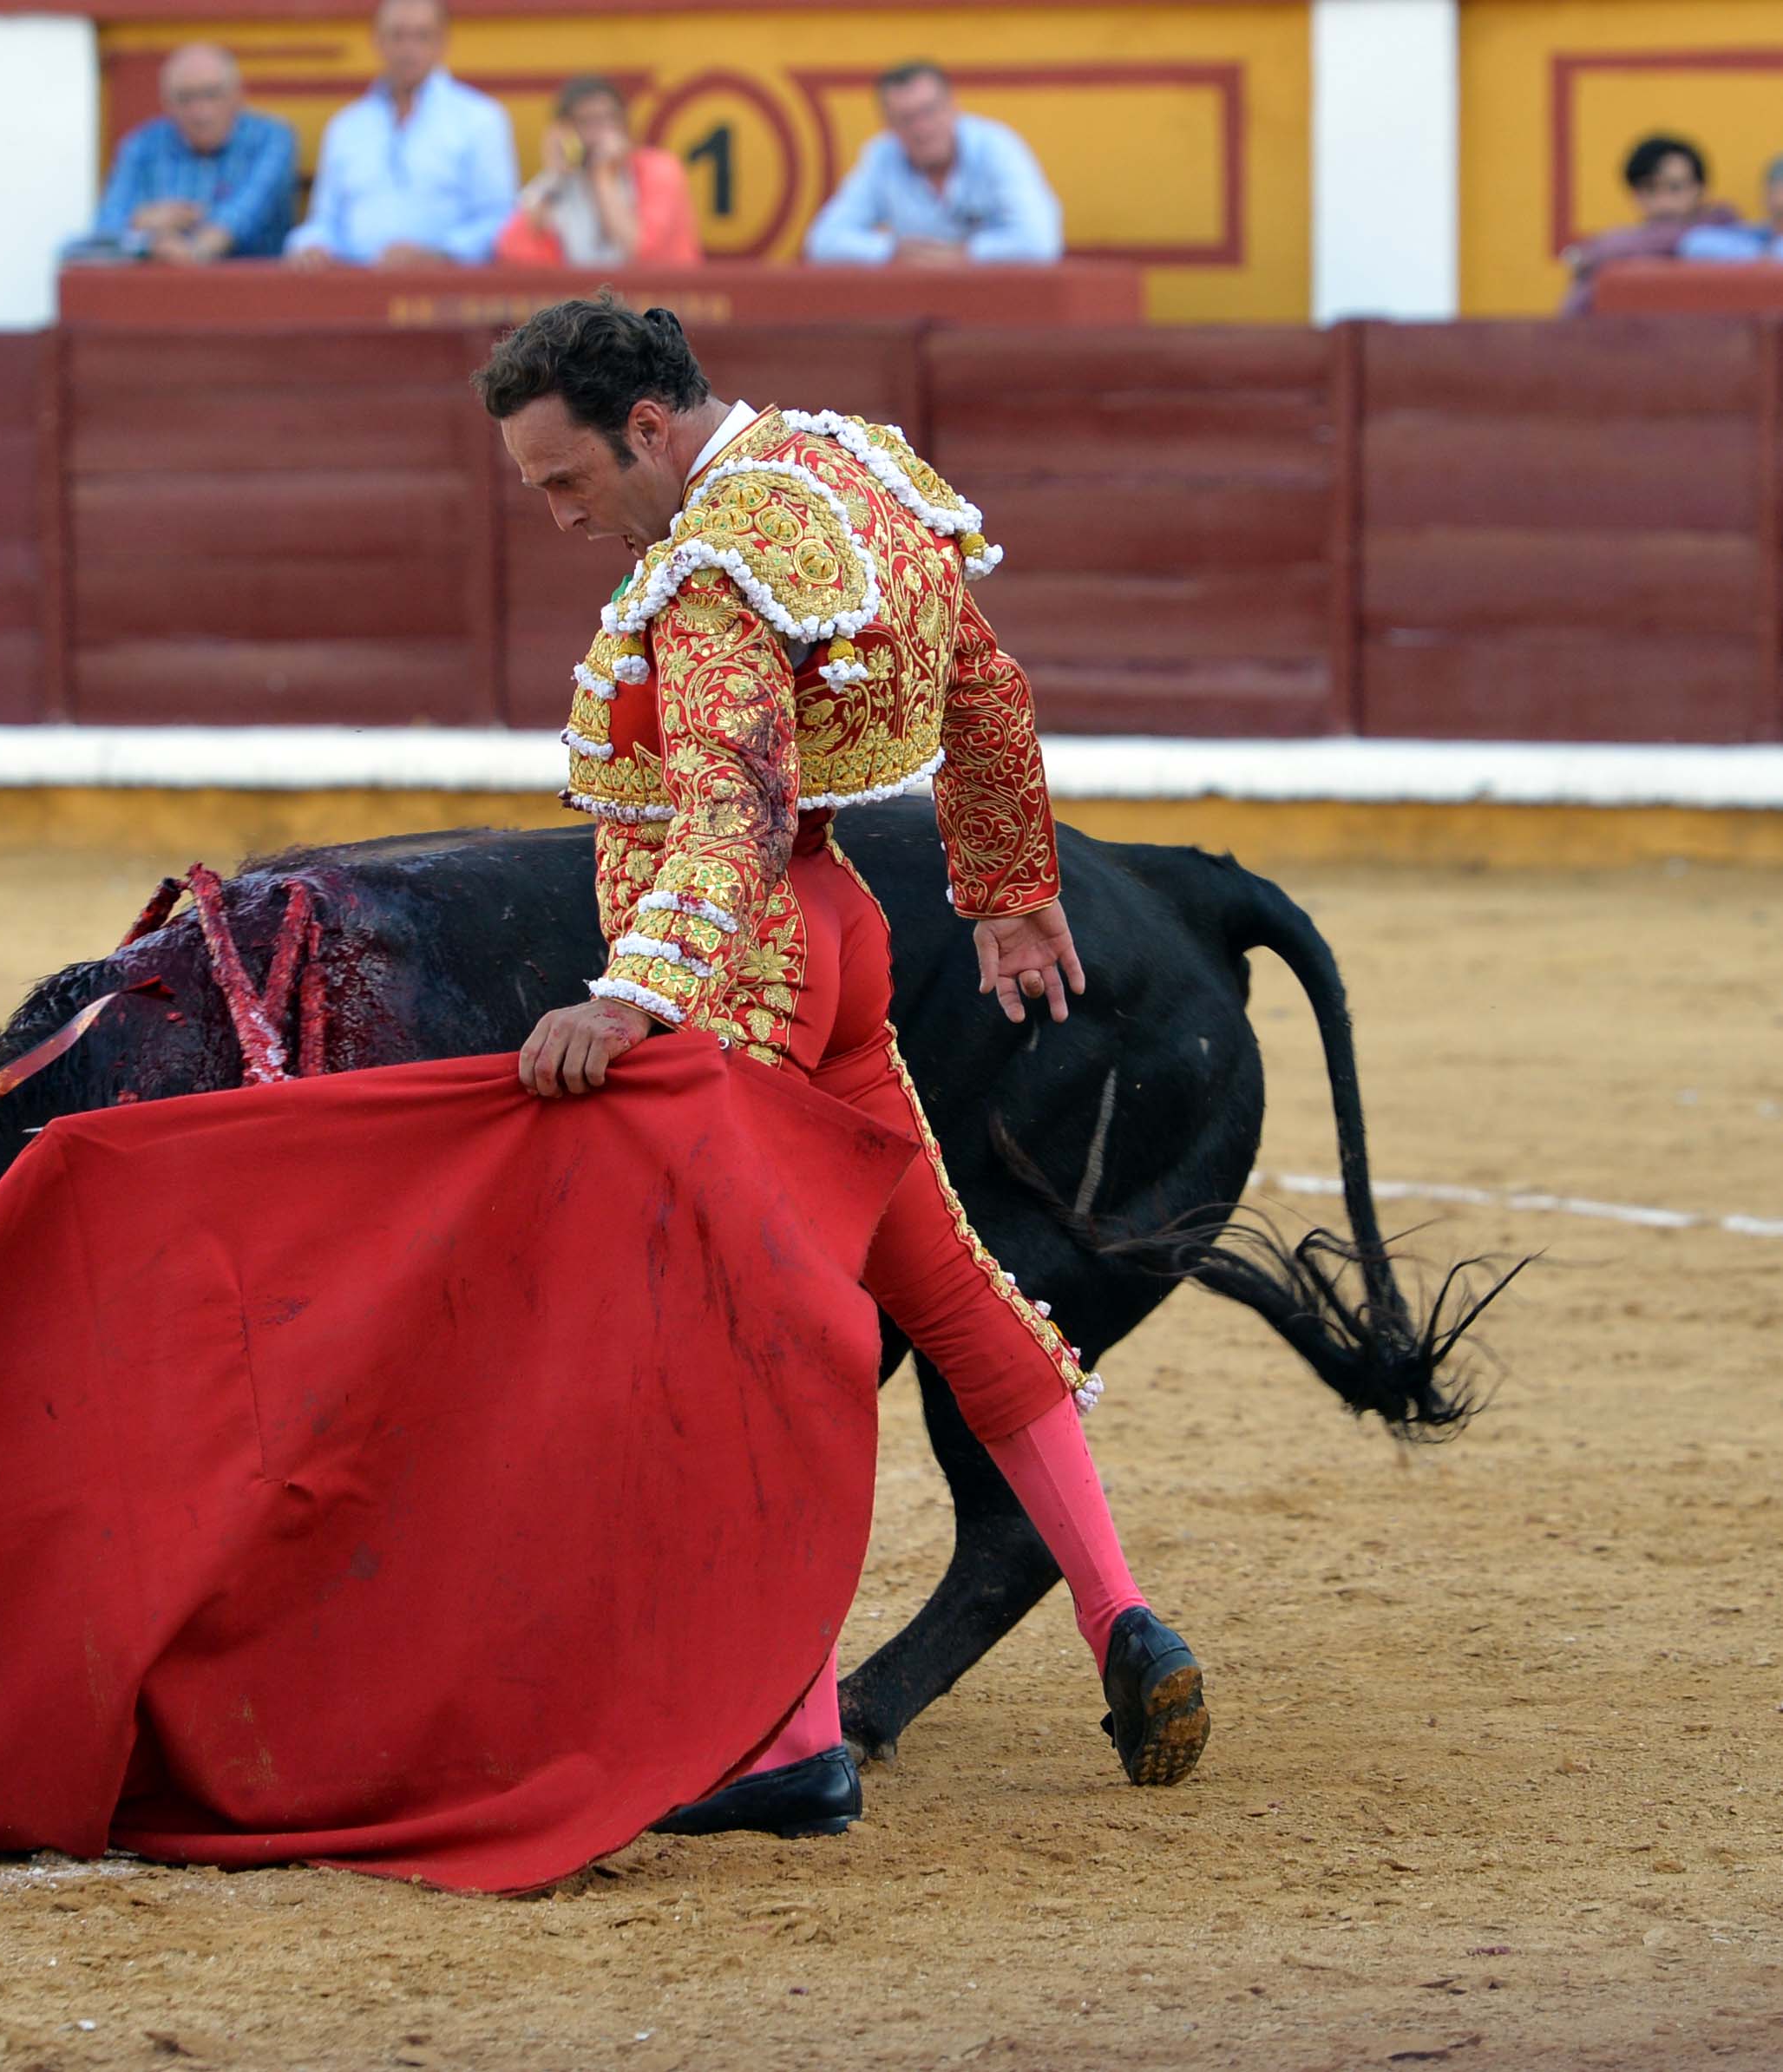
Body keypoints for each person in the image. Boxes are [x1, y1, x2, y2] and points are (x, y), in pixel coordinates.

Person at [477, 295, 1206, 1835]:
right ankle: (1118, 1614)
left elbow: (729, 809)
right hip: (845, 938)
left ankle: (788, 1740)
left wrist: (632, 998)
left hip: (742, 966)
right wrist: (1007, 887)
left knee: (741, 1348)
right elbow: (986, 689)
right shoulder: (854, 469)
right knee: (946, 1288)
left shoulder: (712, 565)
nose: (558, 517)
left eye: (564, 480)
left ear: (649, 430)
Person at [283, 0, 516, 269]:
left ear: (442, 42)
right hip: (352, 287)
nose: (408, 49)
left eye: (421, 36)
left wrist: (440, 255)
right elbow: (324, 221)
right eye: (397, 35)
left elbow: (499, 219)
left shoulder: (480, 118)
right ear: (377, 41)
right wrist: (311, 245)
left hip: (444, 294)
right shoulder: (347, 125)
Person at [804, 62, 1062, 267]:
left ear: (953, 108)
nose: (922, 129)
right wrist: (892, 251)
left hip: (1001, 306)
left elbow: (1040, 241)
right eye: (906, 119)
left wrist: (965, 254)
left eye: (929, 111)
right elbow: (823, 242)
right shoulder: (882, 156)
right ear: (888, 125)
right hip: (916, 307)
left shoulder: (997, 147)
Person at [88, 43, 298, 264]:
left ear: (238, 95)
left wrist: (191, 248)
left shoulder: (271, 139)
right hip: (159, 290)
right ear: (167, 103)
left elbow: (244, 215)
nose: (201, 112)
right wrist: (140, 224)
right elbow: (105, 231)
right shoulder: (143, 145)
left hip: (256, 292)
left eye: (212, 94)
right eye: (185, 98)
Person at [494, 75, 701, 269]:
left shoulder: (659, 170)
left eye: (608, 119)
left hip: (652, 302)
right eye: (586, 122)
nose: (600, 132)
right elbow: (511, 249)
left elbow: (642, 253)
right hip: (580, 302)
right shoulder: (561, 180)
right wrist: (555, 174)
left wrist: (603, 178)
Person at [1560, 134, 1739, 313]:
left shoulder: (1725, 238)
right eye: (1650, 190)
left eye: (1675, 188)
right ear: (1636, 195)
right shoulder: (1608, 257)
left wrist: (1596, 253)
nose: (1664, 202)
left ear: (1700, 189)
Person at [1679, 153, 1783, 262]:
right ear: (1766, 196)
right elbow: (1694, 244)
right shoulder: (1754, 235)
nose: (1779, 200)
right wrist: (1765, 254)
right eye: (1774, 192)